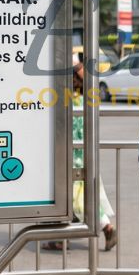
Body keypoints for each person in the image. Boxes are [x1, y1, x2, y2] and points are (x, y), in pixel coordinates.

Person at [44, 51, 118, 251]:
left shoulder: (72, 100)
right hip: (80, 154)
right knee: (71, 196)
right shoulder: (84, 97)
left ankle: (106, 227)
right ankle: (61, 237)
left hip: (73, 156)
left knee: (74, 196)